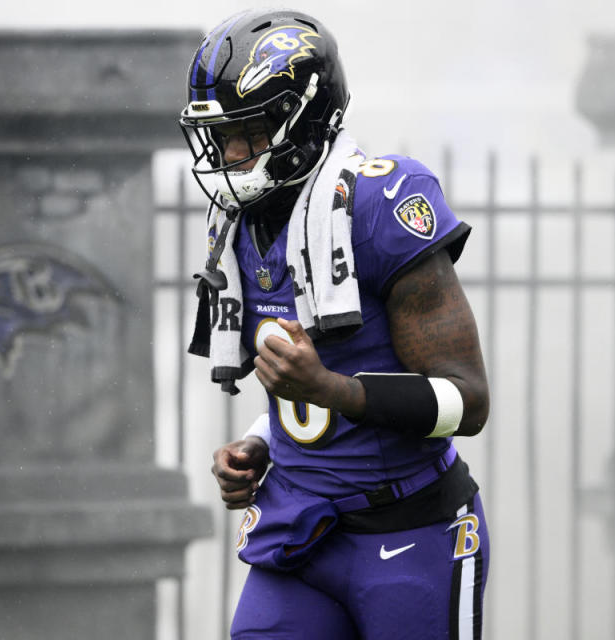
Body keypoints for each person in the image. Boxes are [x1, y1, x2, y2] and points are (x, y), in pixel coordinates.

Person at [179, 8, 490, 640]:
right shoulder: (241, 224)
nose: (232, 155)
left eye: (250, 131)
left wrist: (332, 391)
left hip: (412, 534)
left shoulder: (380, 205)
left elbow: (469, 401)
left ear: (303, 118)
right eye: (220, 136)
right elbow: (306, 389)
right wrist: (259, 443)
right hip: (299, 531)